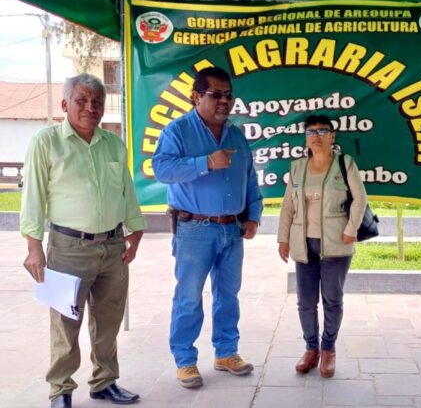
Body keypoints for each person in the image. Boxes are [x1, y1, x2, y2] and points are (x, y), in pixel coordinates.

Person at [20, 73, 147, 408]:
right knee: (66, 324)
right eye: (82, 100)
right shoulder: (46, 142)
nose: (91, 108)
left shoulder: (113, 143)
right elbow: (32, 197)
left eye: (97, 102)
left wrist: (136, 232)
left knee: (108, 322)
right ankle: (60, 390)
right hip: (67, 249)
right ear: (65, 104)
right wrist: (34, 248)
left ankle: (104, 382)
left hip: (113, 248)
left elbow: (126, 192)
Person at [152, 66, 263, 389]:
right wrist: (206, 163)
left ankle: (226, 353)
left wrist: (253, 215)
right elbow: (161, 168)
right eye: (216, 95)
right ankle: (185, 360)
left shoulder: (237, 134)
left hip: (232, 230)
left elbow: (250, 180)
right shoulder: (178, 131)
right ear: (196, 96)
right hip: (193, 230)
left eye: (229, 95)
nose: (224, 101)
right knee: (188, 296)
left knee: (228, 295)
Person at [277, 114, 368, 378]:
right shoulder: (297, 167)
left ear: (332, 136)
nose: (315, 137)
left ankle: (328, 349)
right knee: (305, 301)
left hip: (337, 243)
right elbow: (288, 206)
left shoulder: (345, 163)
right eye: (310, 132)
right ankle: (310, 349)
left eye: (321, 131)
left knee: (332, 300)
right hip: (303, 245)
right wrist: (283, 239)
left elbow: (360, 198)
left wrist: (351, 229)